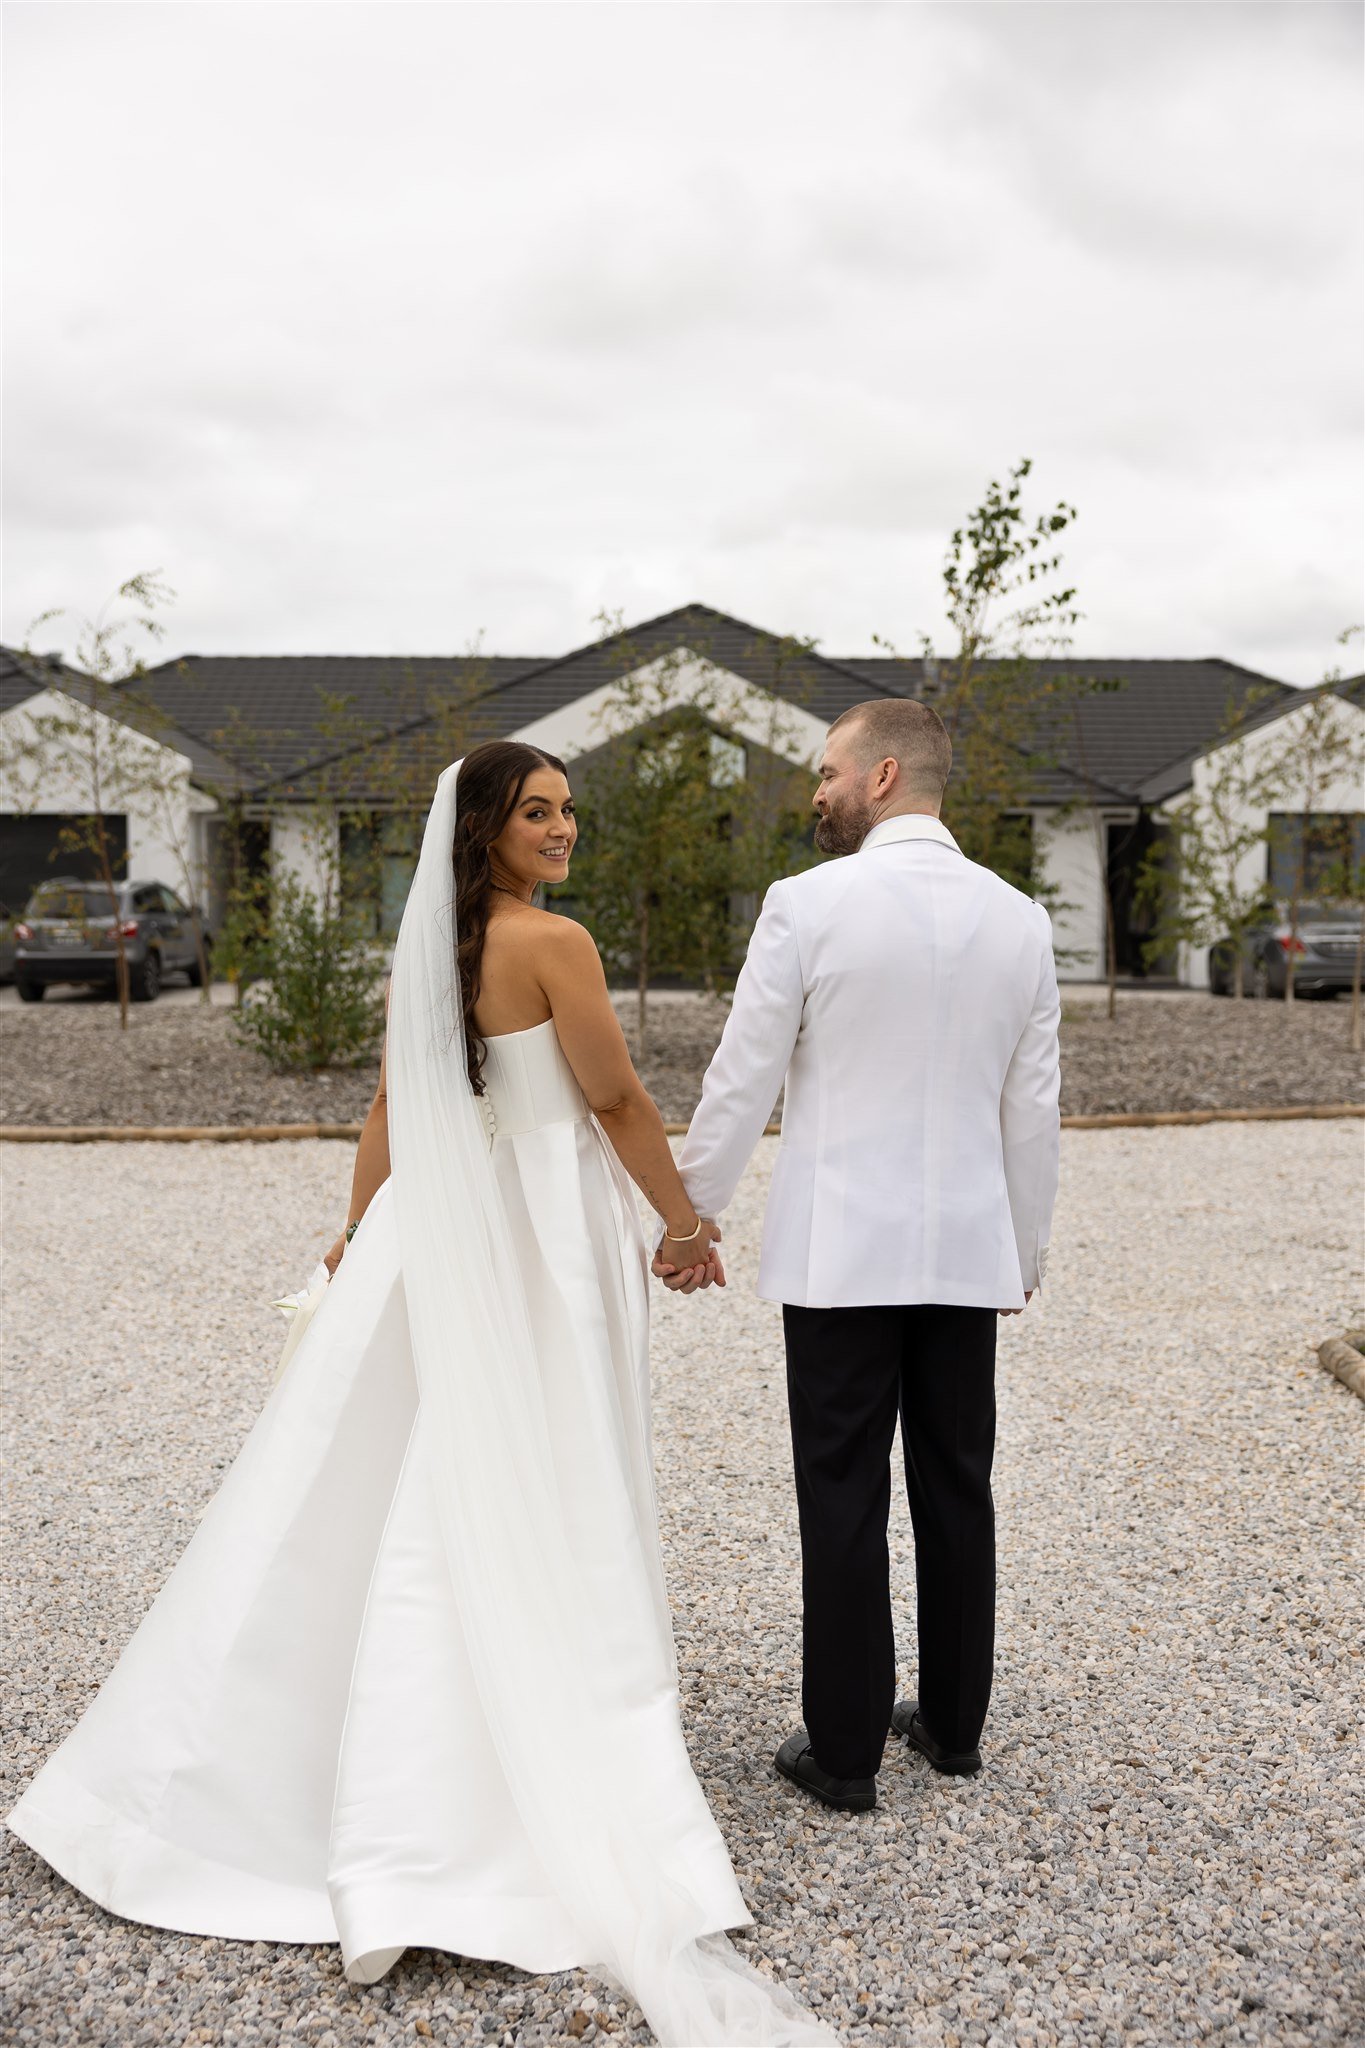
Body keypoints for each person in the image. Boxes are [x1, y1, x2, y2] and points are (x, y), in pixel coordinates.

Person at [6, 741, 832, 2048]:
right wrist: (682, 1223)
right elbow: (612, 1094)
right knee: (546, 1458)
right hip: (538, 1231)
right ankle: (501, 1744)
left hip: (434, 1227)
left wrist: (354, 1235)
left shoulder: (435, 946)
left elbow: (395, 1099)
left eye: (571, 810)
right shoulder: (550, 944)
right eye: (540, 812)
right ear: (489, 828)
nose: (564, 830)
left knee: (392, 1468)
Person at [658, 698, 1061, 1815]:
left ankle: (844, 1753)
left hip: (842, 1256)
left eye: (828, 771)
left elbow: (745, 1077)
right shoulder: (1021, 919)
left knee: (842, 1492)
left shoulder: (806, 905)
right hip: (966, 1256)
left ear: (883, 774)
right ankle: (951, 1723)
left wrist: (691, 1215)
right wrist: (1023, 1246)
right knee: (957, 1482)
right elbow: (1034, 1112)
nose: (818, 790)